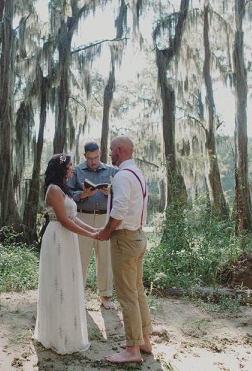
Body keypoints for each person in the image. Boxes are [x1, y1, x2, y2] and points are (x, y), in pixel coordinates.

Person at [33, 153, 98, 355]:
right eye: (70, 166)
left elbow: (74, 218)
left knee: (68, 282)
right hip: (57, 238)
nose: (72, 169)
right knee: (58, 282)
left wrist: (94, 232)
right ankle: (56, 335)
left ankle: (69, 330)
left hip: (68, 238)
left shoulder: (65, 190)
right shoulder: (53, 190)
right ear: (61, 168)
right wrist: (91, 234)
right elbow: (64, 220)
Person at [97, 136, 152, 364]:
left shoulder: (121, 176)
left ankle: (132, 350)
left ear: (119, 151)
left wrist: (106, 231)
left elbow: (118, 211)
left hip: (124, 240)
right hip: (138, 236)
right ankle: (144, 340)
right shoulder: (138, 174)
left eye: (111, 150)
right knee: (137, 291)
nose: (109, 154)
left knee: (127, 295)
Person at [67, 142, 117, 310]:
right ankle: (77, 296)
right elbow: (66, 194)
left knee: (105, 258)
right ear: (84, 156)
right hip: (83, 217)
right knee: (80, 257)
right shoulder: (77, 171)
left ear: (100, 154)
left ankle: (105, 296)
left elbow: (122, 194)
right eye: (89, 158)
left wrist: (111, 191)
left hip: (105, 218)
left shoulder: (112, 171)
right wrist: (82, 194)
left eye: (95, 157)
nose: (93, 162)